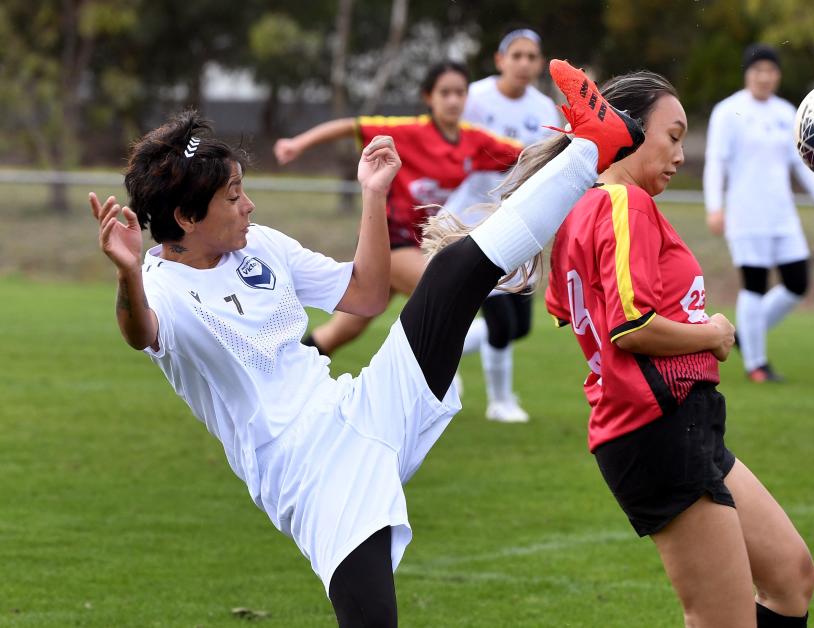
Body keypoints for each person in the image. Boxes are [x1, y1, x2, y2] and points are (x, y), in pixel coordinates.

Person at [90, 59, 644, 626]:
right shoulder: (159, 286)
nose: (249, 206)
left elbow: (366, 293)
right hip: (304, 471)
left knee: (452, 270)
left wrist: (373, 197)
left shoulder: (262, 245)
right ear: (185, 217)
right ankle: (592, 148)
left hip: (358, 406)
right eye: (233, 197)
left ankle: (590, 149)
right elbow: (142, 333)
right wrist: (128, 274)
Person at [544, 70, 814, 627]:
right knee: (723, 619)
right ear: (628, 132)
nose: (680, 154)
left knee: (791, 577)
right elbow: (631, 326)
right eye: (673, 135)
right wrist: (711, 334)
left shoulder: (587, 206)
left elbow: (569, 308)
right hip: (653, 427)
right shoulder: (624, 204)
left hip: (681, 423)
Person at [273, 61, 523, 359]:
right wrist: (297, 144)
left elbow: (527, 153)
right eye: (445, 92)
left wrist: (577, 145)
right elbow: (350, 126)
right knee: (444, 292)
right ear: (428, 97)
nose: (454, 100)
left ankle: (283, 368)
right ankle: (432, 380)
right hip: (388, 241)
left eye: (460, 92)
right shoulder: (408, 132)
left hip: (419, 245)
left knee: (341, 332)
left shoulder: (474, 140)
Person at [444, 27, 560, 423]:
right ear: (500, 60)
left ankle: (447, 348)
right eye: (517, 55)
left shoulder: (545, 108)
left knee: (519, 326)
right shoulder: (474, 97)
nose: (524, 63)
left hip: (520, 222)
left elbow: (549, 163)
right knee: (500, 320)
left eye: (532, 56)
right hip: (471, 218)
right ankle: (500, 401)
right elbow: (446, 137)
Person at [703, 43, 814, 383]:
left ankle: (747, 334)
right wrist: (714, 206)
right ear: (747, 73)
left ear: (778, 75)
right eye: (758, 70)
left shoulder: (787, 112)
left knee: (797, 283)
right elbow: (716, 163)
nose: (764, 77)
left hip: (783, 216)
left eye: (771, 70)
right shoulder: (727, 111)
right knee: (755, 286)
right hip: (746, 216)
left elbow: (804, 164)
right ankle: (757, 365)